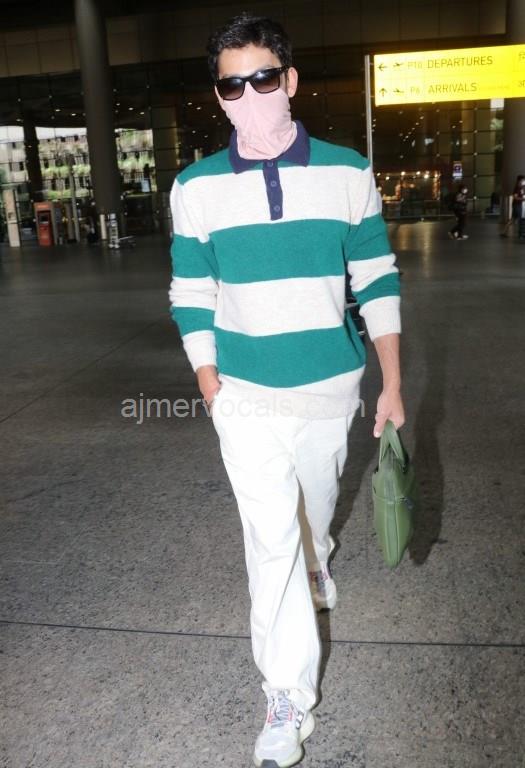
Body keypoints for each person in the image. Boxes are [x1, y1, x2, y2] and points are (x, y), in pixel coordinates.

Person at [168, 13, 404, 768]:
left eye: (263, 78)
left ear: (290, 80)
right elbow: (191, 289)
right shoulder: (194, 186)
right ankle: (286, 697)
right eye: (231, 85)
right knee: (271, 542)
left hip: (330, 386)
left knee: (314, 513)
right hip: (243, 393)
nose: (249, 95)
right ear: (218, 95)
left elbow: (376, 278)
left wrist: (392, 382)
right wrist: (209, 381)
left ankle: (319, 554)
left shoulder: (346, 172)